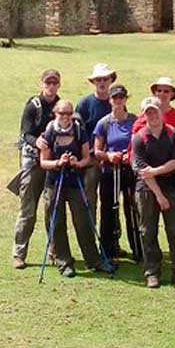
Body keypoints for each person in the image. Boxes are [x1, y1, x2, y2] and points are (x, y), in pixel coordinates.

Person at [131, 97, 175, 288]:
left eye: (155, 111)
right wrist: (159, 195)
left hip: (170, 186)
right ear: (144, 115)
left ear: (161, 111)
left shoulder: (173, 134)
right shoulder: (139, 138)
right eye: (148, 112)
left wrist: (155, 171)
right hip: (147, 189)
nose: (152, 115)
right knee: (148, 231)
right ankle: (152, 273)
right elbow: (141, 170)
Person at [38, 99, 115, 278]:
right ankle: (63, 262)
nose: (65, 117)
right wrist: (58, 162)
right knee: (56, 222)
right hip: (54, 182)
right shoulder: (49, 132)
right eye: (61, 113)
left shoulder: (79, 130)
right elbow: (43, 162)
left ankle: (94, 260)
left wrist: (76, 163)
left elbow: (87, 158)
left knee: (83, 221)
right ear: (55, 114)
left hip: (74, 182)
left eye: (68, 113)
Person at [10, 69, 60, 269]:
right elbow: (25, 132)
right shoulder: (33, 106)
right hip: (32, 163)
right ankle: (18, 254)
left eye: (54, 83)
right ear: (41, 84)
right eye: (48, 83)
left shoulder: (61, 106)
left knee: (53, 210)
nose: (51, 86)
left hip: (53, 164)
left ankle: (55, 251)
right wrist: (37, 141)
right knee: (27, 211)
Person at [93, 83, 141, 261]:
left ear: (126, 99)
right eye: (115, 98)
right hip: (110, 172)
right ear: (110, 100)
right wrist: (109, 155)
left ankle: (139, 250)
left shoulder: (135, 120)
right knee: (109, 211)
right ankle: (107, 250)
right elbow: (97, 151)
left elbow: (140, 144)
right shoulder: (104, 123)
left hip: (130, 171)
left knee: (133, 210)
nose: (118, 101)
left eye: (121, 97)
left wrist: (131, 155)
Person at [75, 63, 117, 240]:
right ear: (93, 82)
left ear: (110, 80)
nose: (102, 82)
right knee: (90, 202)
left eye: (105, 79)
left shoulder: (115, 102)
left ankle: (111, 242)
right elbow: (77, 132)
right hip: (91, 160)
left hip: (111, 160)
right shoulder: (85, 104)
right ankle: (90, 241)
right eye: (98, 79)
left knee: (112, 202)